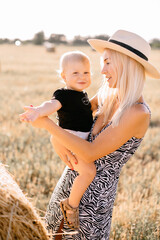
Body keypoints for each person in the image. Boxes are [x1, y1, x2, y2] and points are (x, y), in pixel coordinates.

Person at [21, 30, 160, 240]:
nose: (102, 70)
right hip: (69, 182)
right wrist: (52, 132)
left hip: (92, 203)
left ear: (126, 63)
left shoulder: (137, 112)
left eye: (108, 62)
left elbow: (90, 153)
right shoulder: (108, 96)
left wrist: (49, 127)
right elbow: (71, 110)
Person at [19, 51, 97, 230]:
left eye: (86, 72)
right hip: (71, 138)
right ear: (64, 76)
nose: (82, 77)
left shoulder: (83, 95)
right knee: (88, 172)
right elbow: (51, 105)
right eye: (75, 73)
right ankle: (71, 206)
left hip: (78, 140)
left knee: (85, 171)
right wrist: (38, 111)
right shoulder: (64, 94)